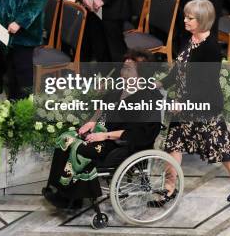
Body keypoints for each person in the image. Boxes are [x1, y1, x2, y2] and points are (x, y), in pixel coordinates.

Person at [154, 0, 230, 207]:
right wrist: (161, 83)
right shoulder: (190, 40)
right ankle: (170, 187)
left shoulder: (210, 49)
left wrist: (183, 102)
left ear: (203, 20)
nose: (185, 20)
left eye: (190, 18)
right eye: (185, 16)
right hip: (183, 103)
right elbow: (179, 69)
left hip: (203, 105)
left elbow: (205, 84)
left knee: (220, 148)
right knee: (173, 145)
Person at [43, 50, 162, 208]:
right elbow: (103, 105)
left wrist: (104, 136)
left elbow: (138, 134)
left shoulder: (149, 98)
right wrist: (92, 122)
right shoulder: (121, 89)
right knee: (65, 138)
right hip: (104, 132)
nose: (123, 73)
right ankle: (58, 188)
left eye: (128, 69)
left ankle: (74, 197)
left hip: (122, 143)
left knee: (82, 148)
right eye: (124, 68)